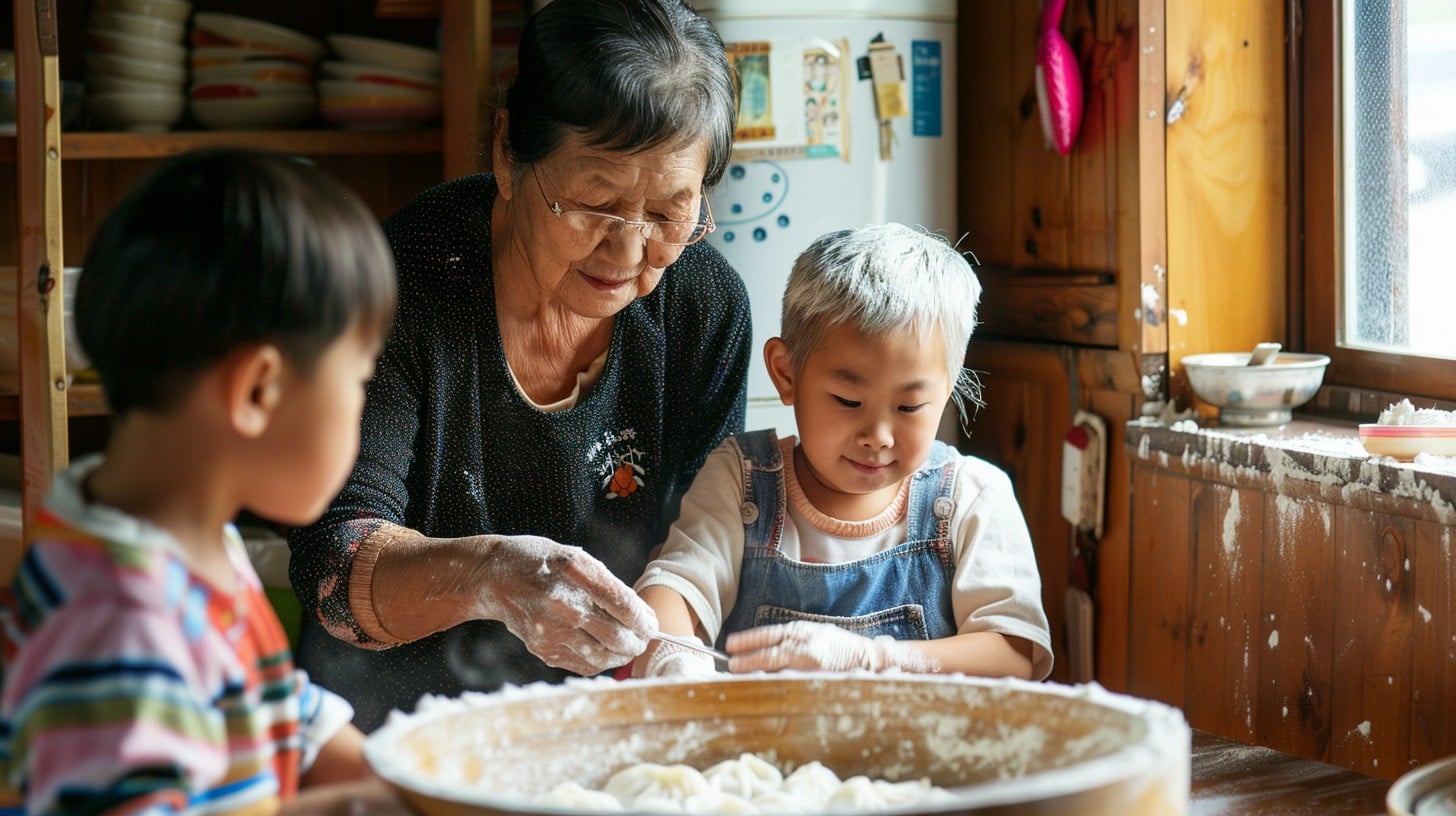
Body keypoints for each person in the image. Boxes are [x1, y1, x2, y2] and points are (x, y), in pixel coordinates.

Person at [287, 0, 751, 730]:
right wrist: (493, 577)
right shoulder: (398, 281)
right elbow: (331, 567)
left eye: (668, 216)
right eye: (595, 202)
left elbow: (707, 536)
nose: (629, 255)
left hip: (603, 722)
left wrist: (675, 650)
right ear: (508, 152)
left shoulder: (702, 302)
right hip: (385, 735)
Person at [0, 149, 404, 815]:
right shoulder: (117, 629)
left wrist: (406, 787)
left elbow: (275, 706)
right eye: (359, 381)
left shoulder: (184, 534)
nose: (362, 407)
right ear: (258, 390)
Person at [633, 223, 1054, 680]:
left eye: (909, 406)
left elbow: (1014, 655)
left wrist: (874, 659)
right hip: (762, 751)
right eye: (848, 401)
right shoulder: (741, 480)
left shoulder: (973, 497)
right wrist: (675, 664)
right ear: (786, 373)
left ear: (947, 391)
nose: (878, 435)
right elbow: (674, 590)